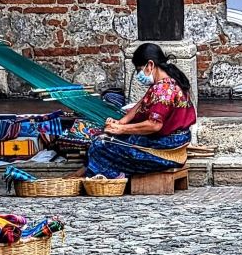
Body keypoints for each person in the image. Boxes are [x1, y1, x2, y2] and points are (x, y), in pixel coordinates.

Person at [76, 42, 197, 179]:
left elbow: (154, 125)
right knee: (112, 138)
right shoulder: (167, 82)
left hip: (167, 145)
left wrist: (121, 129)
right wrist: (120, 122)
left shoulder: (163, 89)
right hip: (175, 139)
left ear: (150, 65)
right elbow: (140, 105)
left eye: (139, 69)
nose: (139, 74)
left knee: (100, 144)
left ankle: (107, 177)